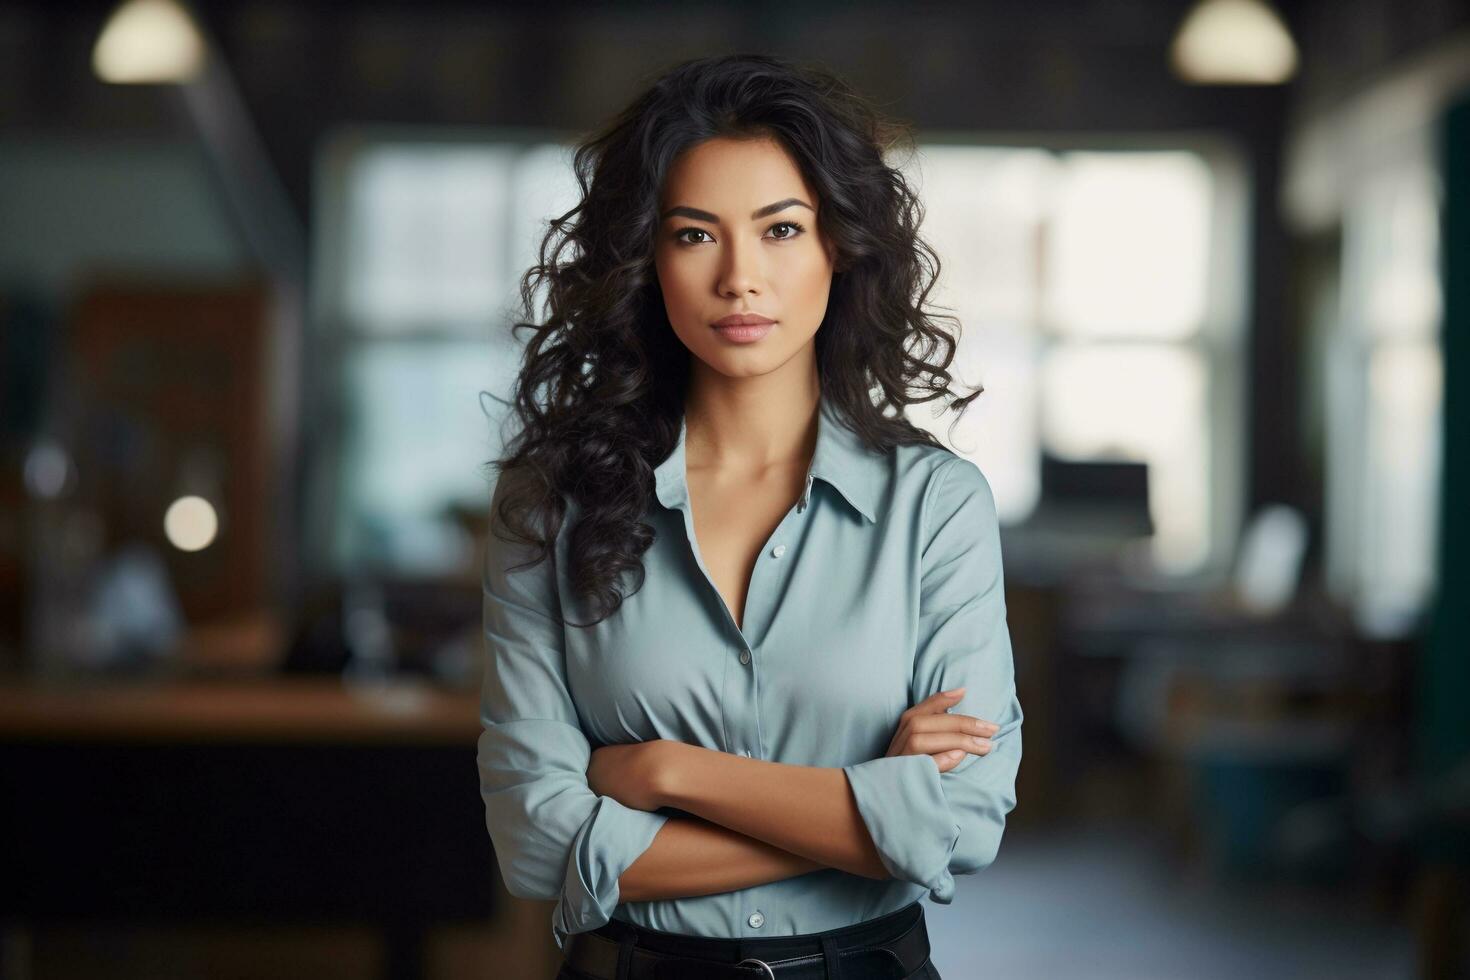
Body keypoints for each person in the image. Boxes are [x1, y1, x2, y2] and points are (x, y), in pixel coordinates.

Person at [476, 52, 1023, 980]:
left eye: (780, 229)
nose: (739, 278)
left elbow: (966, 820)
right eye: (695, 235)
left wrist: (664, 776)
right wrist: (876, 819)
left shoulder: (936, 506)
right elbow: (536, 841)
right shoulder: (550, 504)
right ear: (646, 259)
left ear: (837, 245)